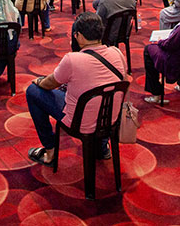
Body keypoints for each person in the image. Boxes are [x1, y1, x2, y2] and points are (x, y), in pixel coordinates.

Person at [26, 12, 126, 167]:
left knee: (33, 91)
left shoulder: (72, 59)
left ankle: (50, 150)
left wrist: (39, 81)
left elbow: (49, 84)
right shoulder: (117, 53)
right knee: (103, 96)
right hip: (111, 118)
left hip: (81, 121)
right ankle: (102, 146)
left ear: (78, 36)